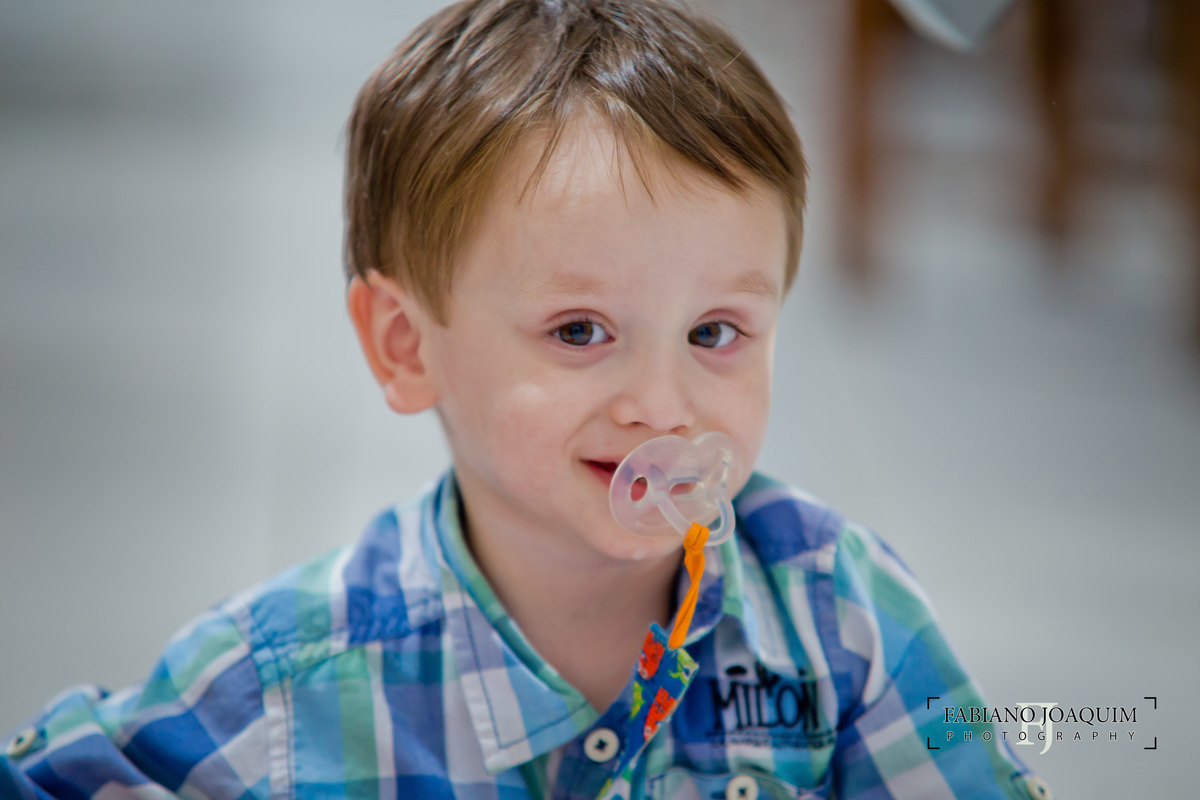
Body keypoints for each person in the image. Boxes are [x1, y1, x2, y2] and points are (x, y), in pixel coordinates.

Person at [1, 1, 1050, 798]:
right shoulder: (284, 681)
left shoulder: (837, 614)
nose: (663, 403)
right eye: (579, 331)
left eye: (715, 333)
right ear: (407, 346)